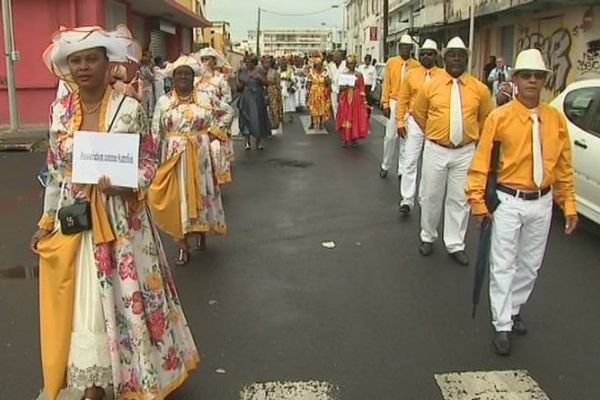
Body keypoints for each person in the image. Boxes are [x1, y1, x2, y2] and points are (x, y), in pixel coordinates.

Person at [32, 25, 198, 400]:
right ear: (67, 67)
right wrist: (45, 222)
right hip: (77, 221)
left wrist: (125, 185)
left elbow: (148, 161)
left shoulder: (130, 109)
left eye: (92, 58)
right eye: (76, 60)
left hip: (123, 222)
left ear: (109, 64)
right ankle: (94, 381)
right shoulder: (60, 112)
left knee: (127, 299)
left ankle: (134, 375)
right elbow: (56, 171)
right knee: (86, 304)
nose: (84, 66)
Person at [466, 48, 578, 356]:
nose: (532, 81)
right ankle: (501, 324)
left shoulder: (554, 119)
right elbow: (481, 162)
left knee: (530, 265)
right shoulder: (499, 118)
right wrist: (477, 202)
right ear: (514, 79)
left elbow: (564, 165)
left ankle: (514, 309)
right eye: (526, 75)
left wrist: (567, 203)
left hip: (541, 202)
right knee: (503, 263)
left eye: (538, 76)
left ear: (545, 80)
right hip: (508, 200)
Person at [411, 36, 492, 265]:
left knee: (459, 198)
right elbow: (419, 113)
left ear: (468, 59)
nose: (456, 59)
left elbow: (485, 118)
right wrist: (437, 135)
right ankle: (428, 236)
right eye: (452, 54)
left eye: (461, 55)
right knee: (430, 196)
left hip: (465, 151)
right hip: (436, 149)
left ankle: (455, 243)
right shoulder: (430, 86)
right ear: (444, 57)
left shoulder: (480, 89)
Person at [149, 55, 233, 265]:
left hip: (200, 156)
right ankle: (182, 245)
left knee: (201, 193)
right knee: (179, 200)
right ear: (173, 78)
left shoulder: (205, 98)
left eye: (187, 73)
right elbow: (155, 132)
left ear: (193, 76)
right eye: (179, 74)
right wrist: (153, 162)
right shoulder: (164, 101)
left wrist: (214, 133)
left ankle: (202, 233)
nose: (183, 77)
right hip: (174, 159)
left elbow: (228, 111)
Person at [395, 39, 443, 215]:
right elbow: (402, 99)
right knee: (410, 161)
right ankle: (407, 199)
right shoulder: (411, 74)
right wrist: (400, 121)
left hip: (434, 123)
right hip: (414, 121)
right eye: (422, 53)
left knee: (429, 165)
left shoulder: (443, 76)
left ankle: (424, 198)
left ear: (435, 56)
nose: (425, 57)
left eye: (429, 54)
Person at [379, 34, 419, 179]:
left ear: (411, 49)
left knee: (405, 138)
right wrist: (385, 103)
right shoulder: (391, 62)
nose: (404, 49)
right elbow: (387, 83)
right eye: (401, 47)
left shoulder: (416, 65)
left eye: (407, 47)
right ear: (399, 47)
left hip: (409, 104)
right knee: (390, 136)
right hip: (394, 101)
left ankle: (402, 169)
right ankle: (385, 164)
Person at [195, 47, 235, 185]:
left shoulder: (220, 79)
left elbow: (227, 98)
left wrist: (217, 106)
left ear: (214, 62)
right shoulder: (196, 80)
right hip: (200, 120)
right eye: (203, 59)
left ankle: (215, 183)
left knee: (217, 151)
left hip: (216, 120)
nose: (205, 62)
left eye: (207, 59)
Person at [237, 54, 272, 150]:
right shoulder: (243, 71)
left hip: (257, 98)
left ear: (254, 63)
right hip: (246, 98)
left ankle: (258, 142)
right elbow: (238, 88)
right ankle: (247, 142)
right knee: (245, 119)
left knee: (257, 119)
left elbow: (267, 83)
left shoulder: (260, 71)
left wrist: (260, 79)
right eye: (247, 62)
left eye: (250, 62)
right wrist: (240, 81)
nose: (248, 64)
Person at [336, 54, 369, 148]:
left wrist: (364, 100)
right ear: (347, 64)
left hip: (356, 99)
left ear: (355, 64)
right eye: (349, 63)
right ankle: (345, 139)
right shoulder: (343, 74)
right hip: (346, 98)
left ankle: (354, 138)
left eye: (353, 63)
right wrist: (346, 86)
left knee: (355, 118)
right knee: (345, 117)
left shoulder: (359, 74)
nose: (351, 65)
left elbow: (362, 88)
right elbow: (340, 88)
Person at [306, 56, 331, 131]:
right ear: (315, 66)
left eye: (320, 65)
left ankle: (320, 123)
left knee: (321, 108)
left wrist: (327, 82)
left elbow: (328, 83)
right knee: (312, 107)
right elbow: (309, 83)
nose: (319, 66)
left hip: (322, 92)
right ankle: (312, 123)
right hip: (313, 92)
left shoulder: (325, 73)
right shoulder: (311, 73)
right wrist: (307, 92)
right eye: (317, 65)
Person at [262, 55, 284, 135]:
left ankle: (276, 122)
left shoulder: (274, 72)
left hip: (273, 90)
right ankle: (270, 122)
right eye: (264, 63)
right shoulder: (261, 71)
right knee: (268, 108)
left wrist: (278, 91)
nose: (265, 64)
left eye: (267, 63)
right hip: (265, 90)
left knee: (274, 106)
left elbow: (278, 83)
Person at [326, 50, 347, 119]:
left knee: (343, 106)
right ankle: (337, 121)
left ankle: (343, 121)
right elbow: (329, 77)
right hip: (334, 88)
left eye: (337, 57)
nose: (335, 59)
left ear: (341, 58)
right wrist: (330, 87)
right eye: (334, 57)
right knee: (335, 106)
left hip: (343, 89)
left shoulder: (346, 65)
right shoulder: (331, 66)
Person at [137, 50, 155, 118]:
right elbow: (151, 77)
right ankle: (149, 114)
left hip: (142, 85)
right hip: (147, 84)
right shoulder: (146, 68)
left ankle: (144, 113)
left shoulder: (140, 68)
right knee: (150, 100)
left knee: (144, 100)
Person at [279, 56, 297, 122]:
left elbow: (293, 80)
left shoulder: (290, 70)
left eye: (284, 63)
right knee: (281, 104)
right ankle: (281, 117)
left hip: (288, 88)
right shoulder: (278, 70)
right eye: (281, 63)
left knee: (290, 103)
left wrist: (286, 79)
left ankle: (291, 116)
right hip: (281, 89)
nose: (282, 64)